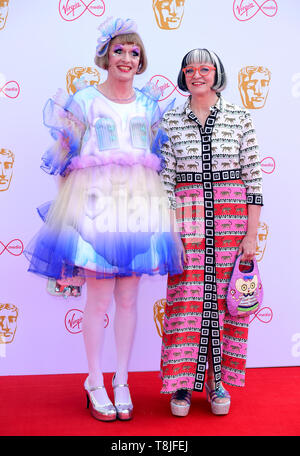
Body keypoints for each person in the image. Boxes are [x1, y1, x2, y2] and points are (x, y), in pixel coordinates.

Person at [24, 17, 182, 422]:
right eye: (119, 51)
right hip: (94, 207)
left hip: (138, 210)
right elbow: (64, 163)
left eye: (134, 53)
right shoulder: (83, 101)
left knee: (128, 300)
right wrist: (66, 222)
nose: (127, 58)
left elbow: (158, 163)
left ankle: (121, 379)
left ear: (141, 60)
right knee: (97, 302)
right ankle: (94, 380)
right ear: (105, 56)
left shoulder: (149, 106)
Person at [159, 48, 263, 416]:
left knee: (225, 301)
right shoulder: (171, 119)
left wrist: (251, 236)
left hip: (231, 221)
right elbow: (166, 183)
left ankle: (218, 382)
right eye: (189, 69)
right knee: (184, 300)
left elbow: (253, 180)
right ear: (182, 75)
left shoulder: (239, 117)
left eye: (204, 68)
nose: (196, 75)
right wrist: (171, 233)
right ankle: (182, 384)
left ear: (216, 73)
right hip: (186, 220)